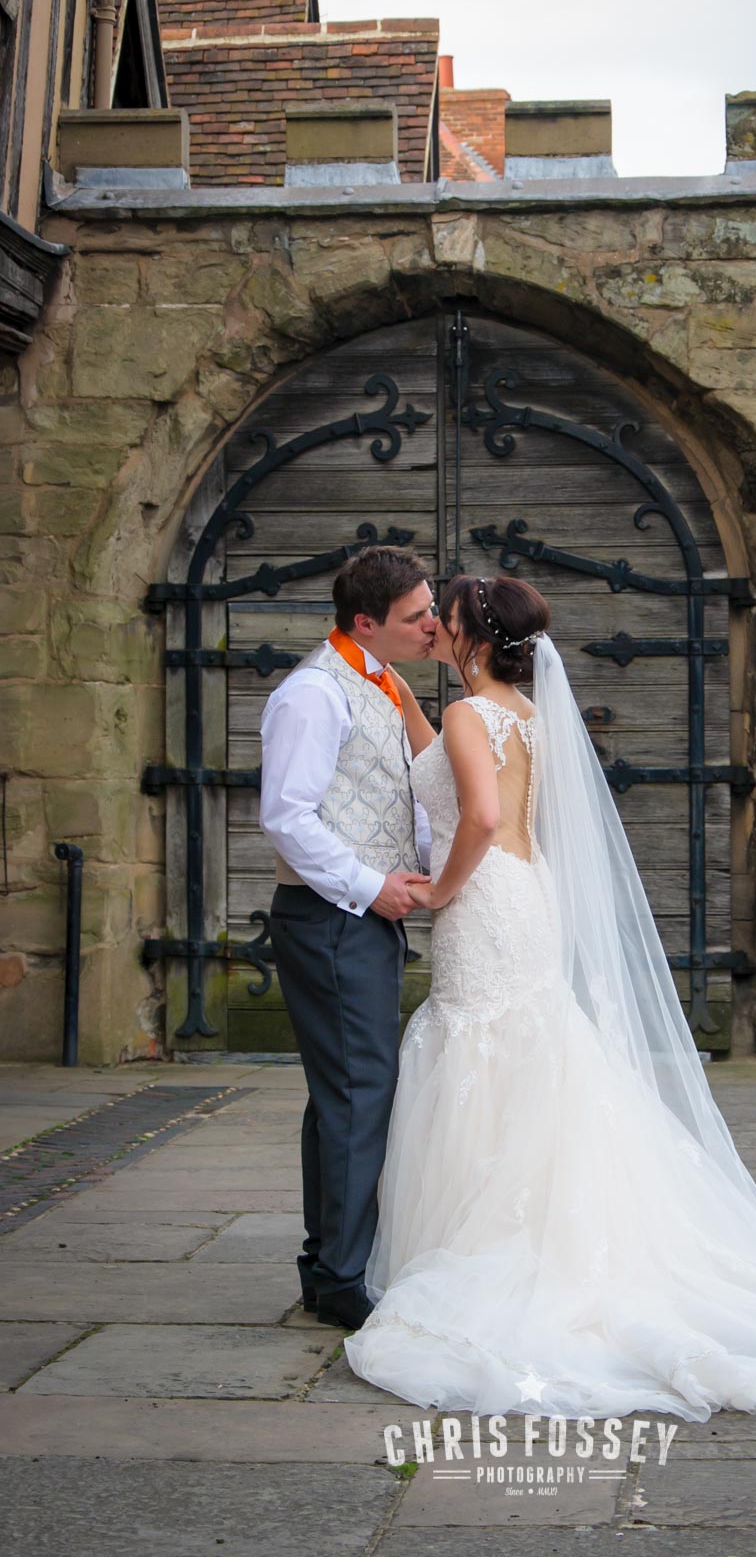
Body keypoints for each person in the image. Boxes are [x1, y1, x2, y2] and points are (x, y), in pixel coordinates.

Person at [343, 572, 756, 1420]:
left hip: (483, 898)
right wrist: (399, 692)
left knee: (484, 1046)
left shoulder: (466, 715)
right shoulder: (525, 715)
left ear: (473, 637)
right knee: (531, 1049)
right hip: (527, 893)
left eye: (444, 621)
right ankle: (535, 1221)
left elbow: (476, 817)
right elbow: (460, 778)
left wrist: (441, 891)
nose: (436, 630)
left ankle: (498, 1241)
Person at [258, 545, 436, 1333]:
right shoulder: (311, 694)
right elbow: (287, 817)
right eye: (416, 616)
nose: (432, 625)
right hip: (331, 921)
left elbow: (400, 798)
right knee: (360, 1094)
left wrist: (437, 874)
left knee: (344, 1096)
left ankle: (328, 1264)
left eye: (430, 609)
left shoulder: (385, 683)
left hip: (359, 920)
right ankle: (338, 1278)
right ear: (365, 622)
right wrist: (373, 886)